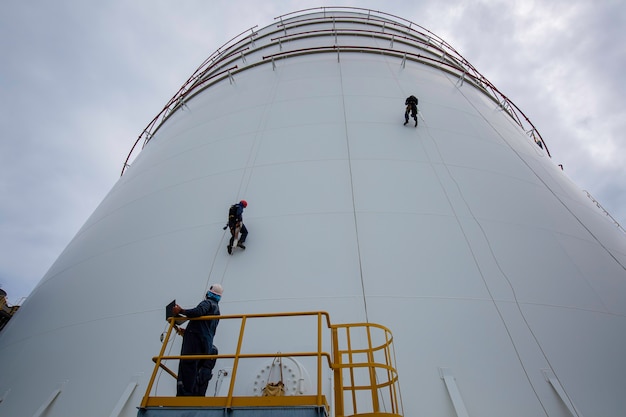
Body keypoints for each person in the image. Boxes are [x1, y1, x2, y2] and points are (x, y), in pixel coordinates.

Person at [172, 284, 223, 396]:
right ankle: (196, 394)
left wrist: (181, 311)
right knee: (196, 368)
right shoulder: (217, 310)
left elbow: (198, 312)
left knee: (188, 365)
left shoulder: (207, 303)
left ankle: (185, 395)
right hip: (205, 344)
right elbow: (206, 327)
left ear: (209, 293)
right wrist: (188, 331)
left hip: (195, 341)